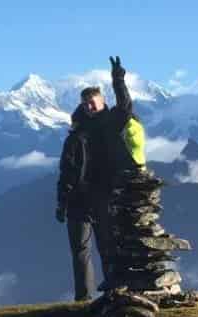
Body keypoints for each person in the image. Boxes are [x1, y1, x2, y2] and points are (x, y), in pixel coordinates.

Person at [56, 56, 147, 299]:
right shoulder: (76, 132)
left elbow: (126, 106)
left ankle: (112, 293)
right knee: (80, 251)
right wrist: (61, 201)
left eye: (92, 102)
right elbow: (66, 169)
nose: (89, 107)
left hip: (104, 195)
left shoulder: (112, 121)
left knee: (107, 247)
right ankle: (83, 298)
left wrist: (118, 80)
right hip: (78, 199)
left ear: (102, 101)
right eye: (86, 103)